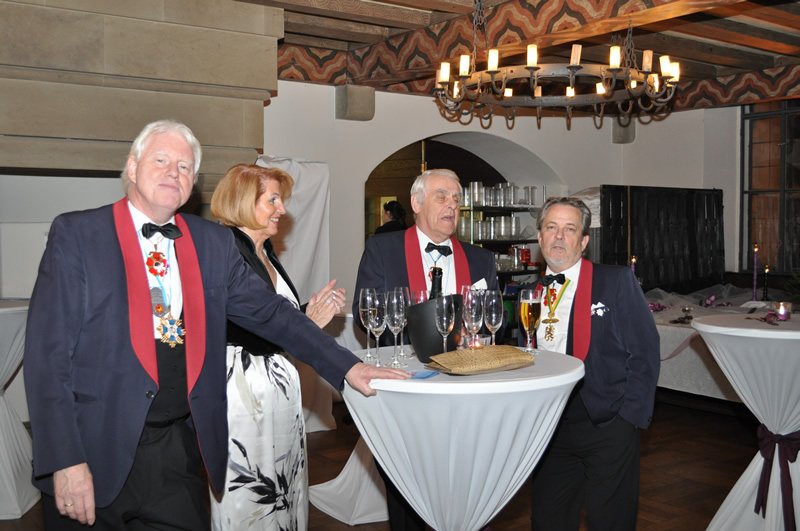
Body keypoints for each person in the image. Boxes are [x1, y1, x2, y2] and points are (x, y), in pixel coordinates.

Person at [23, 119, 408, 531]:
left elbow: (274, 315)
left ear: (193, 183)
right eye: (161, 160)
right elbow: (48, 359)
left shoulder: (211, 242)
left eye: (185, 167)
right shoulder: (79, 234)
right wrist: (65, 460)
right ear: (132, 167)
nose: (174, 172)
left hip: (179, 454)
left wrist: (348, 367)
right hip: (95, 451)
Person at [353, 168, 499, 531]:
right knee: (407, 487)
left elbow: (493, 320)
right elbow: (366, 316)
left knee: (464, 484)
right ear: (416, 203)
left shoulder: (480, 259)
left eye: (457, 199)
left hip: (464, 396)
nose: (452, 205)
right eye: (442, 196)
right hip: (406, 392)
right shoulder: (383, 250)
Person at [208, 163, 345, 530]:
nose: (282, 209)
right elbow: (240, 325)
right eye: (272, 200)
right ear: (242, 201)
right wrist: (306, 325)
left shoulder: (265, 252)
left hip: (275, 386)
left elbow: (271, 318)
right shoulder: (225, 251)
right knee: (250, 488)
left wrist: (306, 315)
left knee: (283, 480)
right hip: (243, 391)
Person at [529, 197, 660, 531]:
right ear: (540, 237)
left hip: (606, 421)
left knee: (610, 521)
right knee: (548, 520)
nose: (559, 237)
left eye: (570, 229)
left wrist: (628, 419)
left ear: (584, 241)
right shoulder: (530, 293)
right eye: (551, 228)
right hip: (548, 427)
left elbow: (645, 350)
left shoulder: (615, 280)